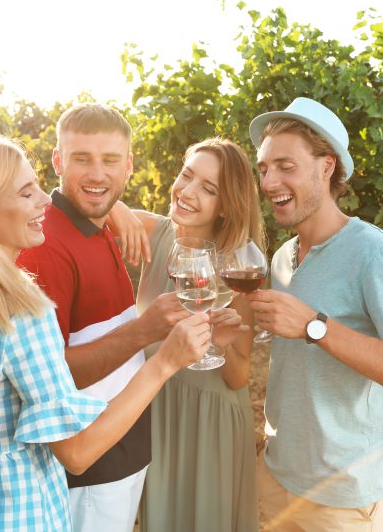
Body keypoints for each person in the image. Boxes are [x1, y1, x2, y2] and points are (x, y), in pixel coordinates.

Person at [0, 108, 210, 531]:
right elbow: (76, 453)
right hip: (9, 509)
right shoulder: (22, 313)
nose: (46, 199)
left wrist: (115, 211)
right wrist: (165, 361)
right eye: (27, 193)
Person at [16, 104, 243, 532]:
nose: (97, 174)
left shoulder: (99, 223)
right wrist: (145, 333)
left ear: (129, 165)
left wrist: (112, 211)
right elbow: (50, 375)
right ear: (57, 161)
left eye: (110, 160)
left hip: (125, 451)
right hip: (90, 471)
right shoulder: (45, 246)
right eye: (82, 158)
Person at [246, 97, 383, 531]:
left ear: (327, 167)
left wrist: (315, 326)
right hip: (277, 477)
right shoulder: (282, 257)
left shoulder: (373, 253)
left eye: (285, 166)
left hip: (341, 501)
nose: (269, 180)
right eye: (263, 168)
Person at [108, 137, 264, 532]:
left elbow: (238, 378)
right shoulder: (157, 234)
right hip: (156, 410)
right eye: (187, 175)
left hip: (209, 423)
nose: (187, 191)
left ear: (227, 204)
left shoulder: (239, 267)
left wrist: (223, 347)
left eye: (208, 189)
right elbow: (83, 203)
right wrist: (118, 208)